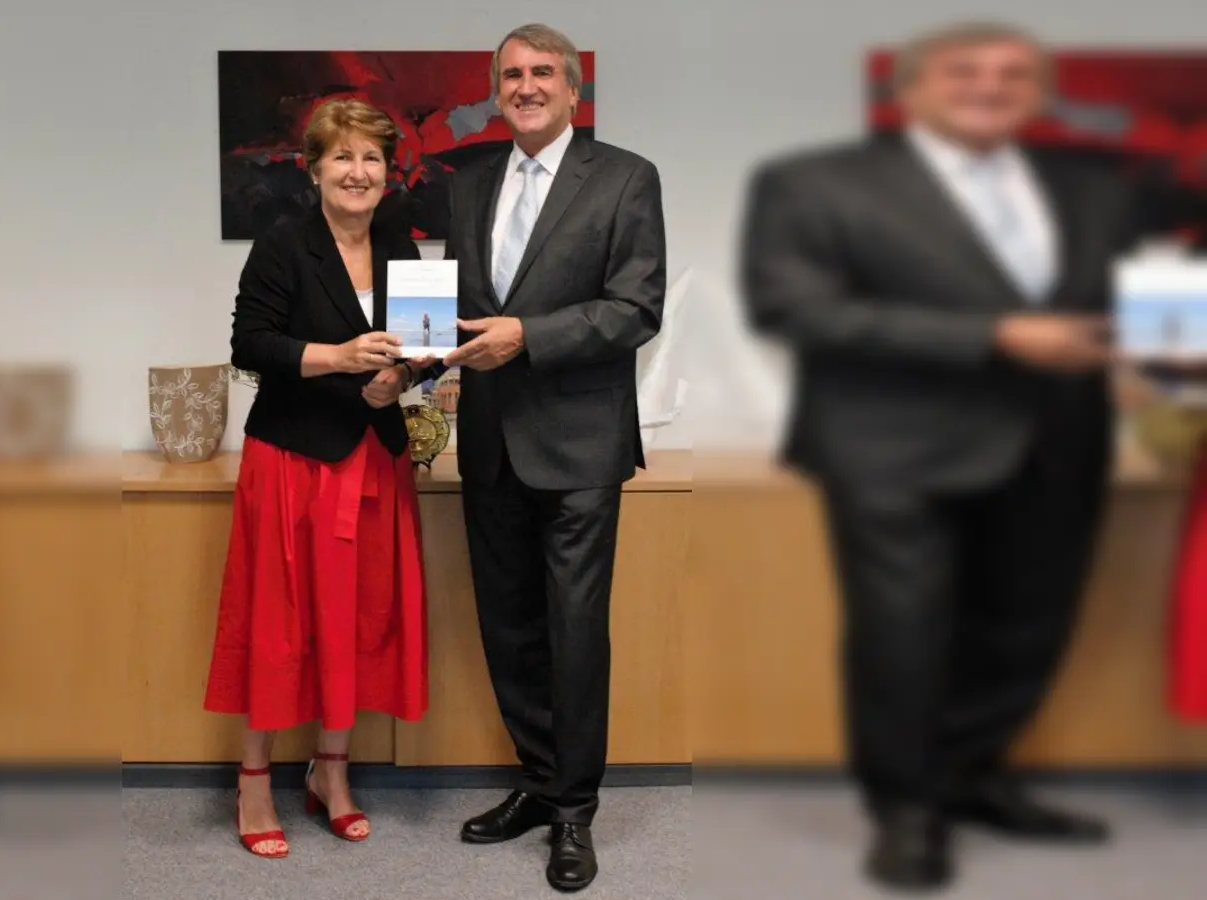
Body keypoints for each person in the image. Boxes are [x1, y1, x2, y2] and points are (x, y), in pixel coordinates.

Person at [739, 22, 1135, 890]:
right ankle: (908, 813)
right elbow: (795, 310)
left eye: (1014, 73)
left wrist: (1152, 355)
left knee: (1026, 631)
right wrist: (997, 334)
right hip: (890, 447)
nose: (990, 86)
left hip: (1058, 444)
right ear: (910, 90)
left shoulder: (1092, 188)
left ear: (1039, 92)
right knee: (902, 640)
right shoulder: (813, 183)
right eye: (965, 71)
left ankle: (975, 778)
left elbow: (1127, 302)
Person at [425, 23, 665, 893]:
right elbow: (451, 300)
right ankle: (535, 781)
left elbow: (636, 309)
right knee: (511, 628)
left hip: (580, 444)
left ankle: (574, 811)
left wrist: (528, 336)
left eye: (542, 74)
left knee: (573, 632)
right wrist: (417, 362)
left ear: (571, 90)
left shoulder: (627, 178)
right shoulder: (469, 183)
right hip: (489, 438)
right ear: (497, 92)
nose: (525, 86)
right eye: (511, 75)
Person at [204, 97, 435, 859]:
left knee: (360, 618)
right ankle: (254, 780)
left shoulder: (404, 245)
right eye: (343, 157)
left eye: (372, 158)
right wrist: (340, 359)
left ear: (387, 174)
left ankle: (331, 773)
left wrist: (392, 381)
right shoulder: (282, 244)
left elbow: (415, 354)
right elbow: (252, 344)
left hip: (374, 456)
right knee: (279, 624)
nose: (359, 171)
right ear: (314, 169)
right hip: (293, 462)